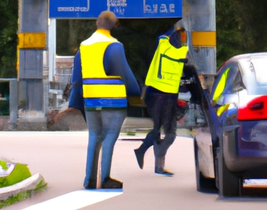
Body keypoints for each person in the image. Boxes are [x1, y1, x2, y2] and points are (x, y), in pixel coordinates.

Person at [69, 11, 140, 189]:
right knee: (109, 135)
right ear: (115, 25)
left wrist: (76, 99)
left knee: (94, 135)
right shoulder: (114, 46)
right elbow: (123, 72)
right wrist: (135, 90)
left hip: (91, 100)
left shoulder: (84, 46)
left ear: (96, 23)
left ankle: (90, 179)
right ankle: (106, 177)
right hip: (113, 100)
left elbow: (76, 78)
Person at [134, 26, 188, 176]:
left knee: (157, 129)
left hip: (151, 93)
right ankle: (150, 156)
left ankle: (150, 159)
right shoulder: (182, 52)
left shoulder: (163, 44)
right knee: (170, 133)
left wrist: (175, 28)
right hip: (166, 96)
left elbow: (163, 35)